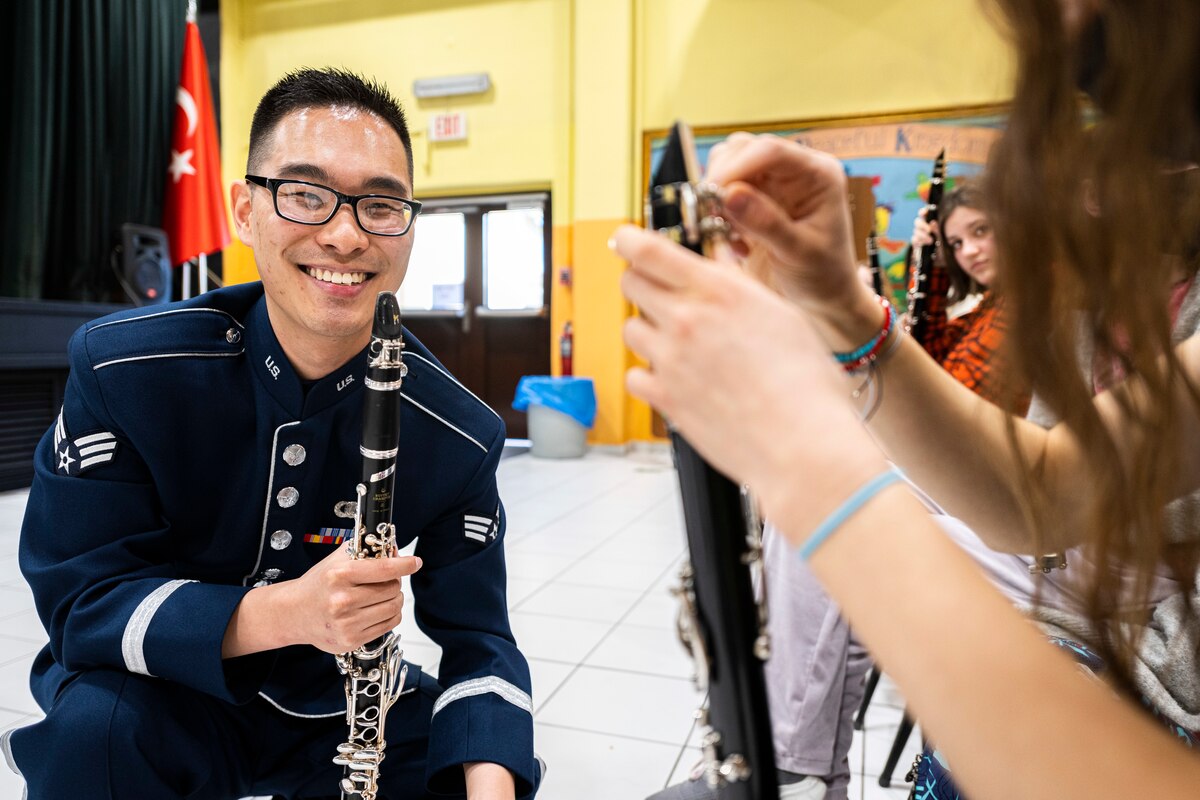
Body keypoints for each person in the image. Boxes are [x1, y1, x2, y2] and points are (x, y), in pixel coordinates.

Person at [613, 1, 1200, 798]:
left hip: (1152, 590)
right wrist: (840, 309)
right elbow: (1043, 492)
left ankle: (791, 762)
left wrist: (806, 437)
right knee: (830, 505)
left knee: (840, 496)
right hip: (1083, 556)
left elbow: (1052, 495)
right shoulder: (1097, 302)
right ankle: (797, 766)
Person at [1, 68, 540, 800]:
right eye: (306, 195)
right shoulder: (126, 369)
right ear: (245, 210)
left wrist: (491, 783)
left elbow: (481, 642)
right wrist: (289, 613)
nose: (346, 235)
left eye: (380, 204)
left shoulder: (461, 432)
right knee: (92, 731)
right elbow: (81, 606)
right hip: (167, 692)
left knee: (455, 758)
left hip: (336, 709)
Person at [906, 183, 1027, 412]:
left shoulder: (1026, 301)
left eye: (980, 230)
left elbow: (946, 405)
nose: (969, 251)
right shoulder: (992, 303)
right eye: (956, 244)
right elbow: (929, 355)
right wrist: (935, 265)